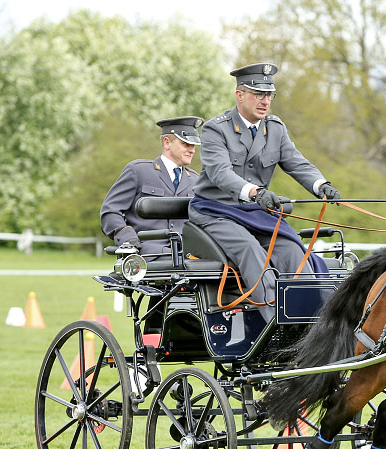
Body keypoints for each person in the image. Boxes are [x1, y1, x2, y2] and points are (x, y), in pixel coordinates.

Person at [189, 63, 340, 322]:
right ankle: (275, 322)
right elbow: (220, 173)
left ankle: (312, 324)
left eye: (269, 95)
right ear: (240, 95)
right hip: (216, 212)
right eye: (258, 94)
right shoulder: (216, 129)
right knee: (251, 251)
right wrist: (255, 192)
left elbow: (296, 162)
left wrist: (320, 185)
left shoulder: (275, 129)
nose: (265, 101)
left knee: (294, 252)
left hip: (255, 213)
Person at [100, 116, 203, 254]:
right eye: (186, 144)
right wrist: (126, 237)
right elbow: (110, 211)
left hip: (187, 255)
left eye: (193, 145)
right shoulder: (138, 171)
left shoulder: (195, 180)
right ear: (167, 143)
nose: (192, 150)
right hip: (148, 254)